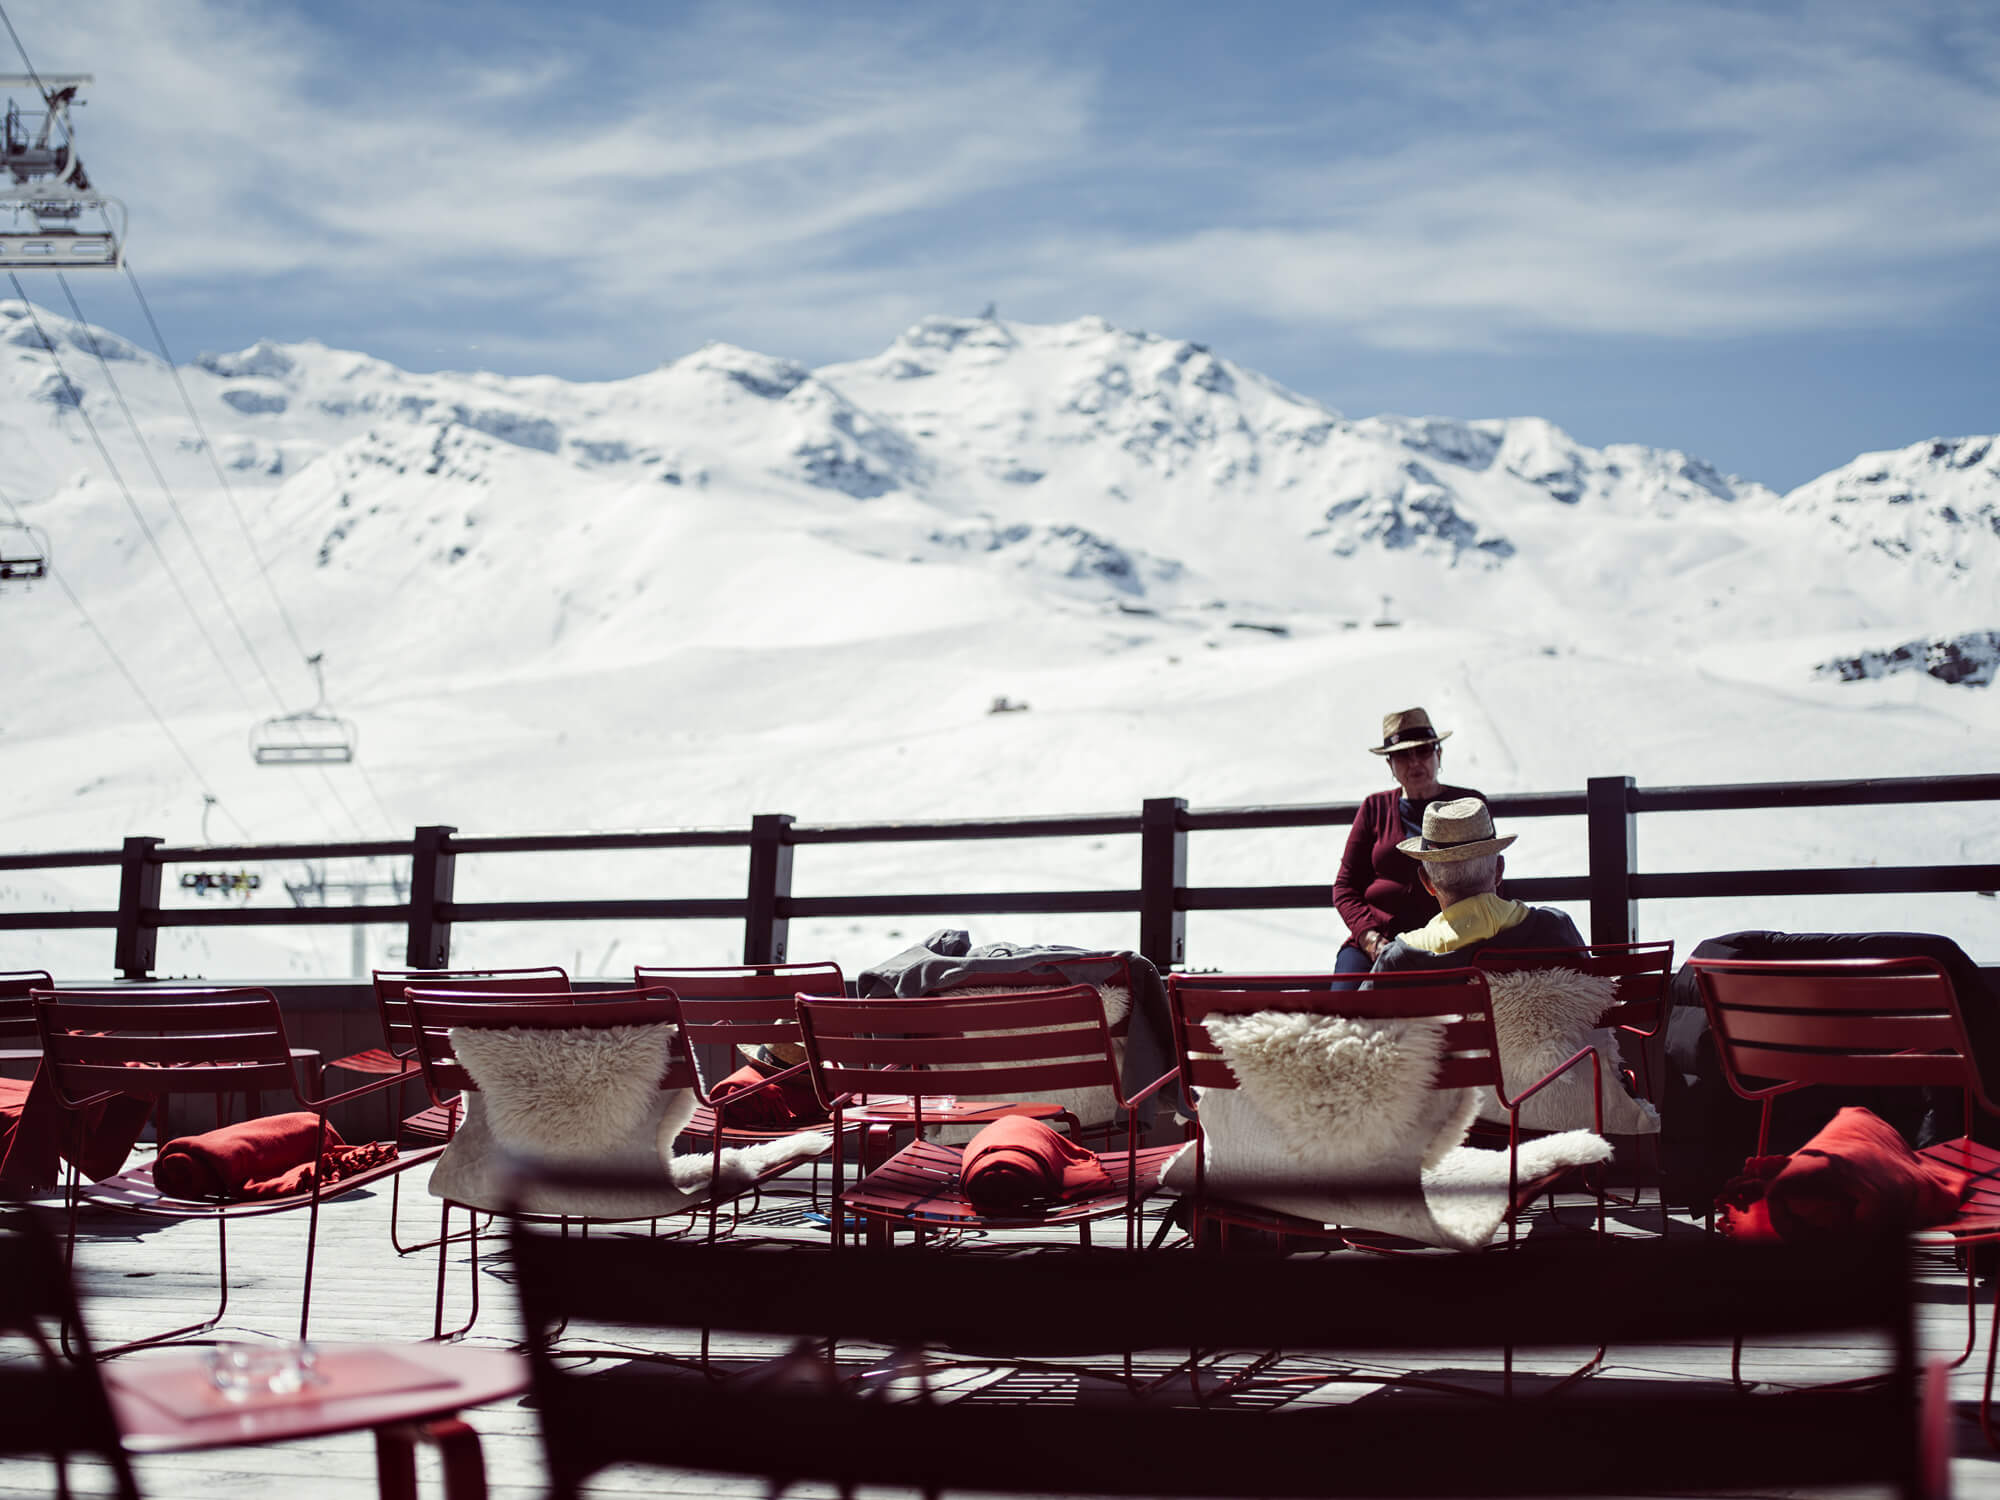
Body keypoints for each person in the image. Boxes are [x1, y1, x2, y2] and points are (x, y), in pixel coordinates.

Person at [1332, 707, 1483, 975]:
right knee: (1346, 1003)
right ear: (1389, 763)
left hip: (1454, 938)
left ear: (1439, 753)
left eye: (1423, 751)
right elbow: (1345, 887)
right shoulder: (1374, 807)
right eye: (1402, 755)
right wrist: (1370, 939)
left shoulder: (1468, 806)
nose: (1414, 763)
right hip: (1380, 941)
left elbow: (1489, 875)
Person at [1370, 798, 1583, 971]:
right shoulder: (1555, 929)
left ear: (1427, 883)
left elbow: (1357, 1022)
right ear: (1499, 870)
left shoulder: (1400, 959)